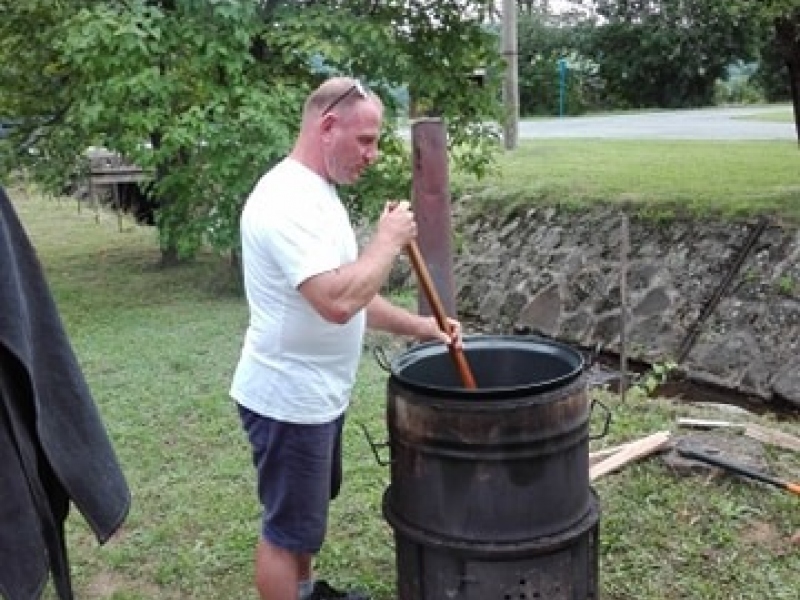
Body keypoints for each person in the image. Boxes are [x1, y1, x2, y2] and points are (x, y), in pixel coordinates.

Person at [229, 77, 463, 600]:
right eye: (366, 140)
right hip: (288, 399)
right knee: (285, 531)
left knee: (305, 522)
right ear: (327, 126)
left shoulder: (319, 194)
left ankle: (307, 592)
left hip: (316, 396)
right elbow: (336, 303)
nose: (373, 155)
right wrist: (386, 242)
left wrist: (423, 326)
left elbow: (355, 294)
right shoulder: (284, 200)